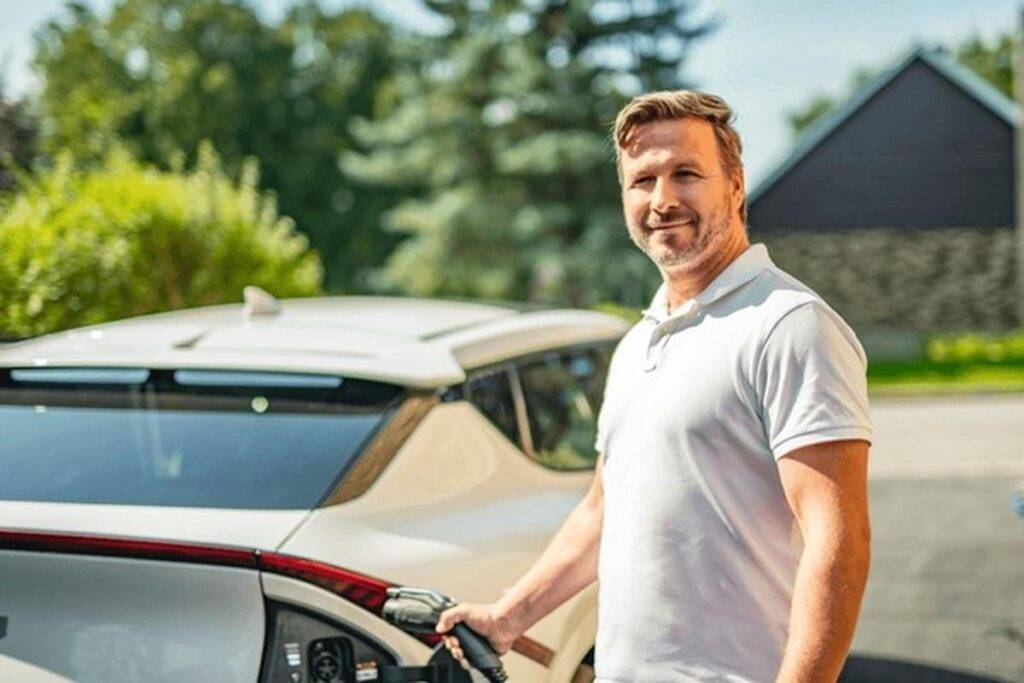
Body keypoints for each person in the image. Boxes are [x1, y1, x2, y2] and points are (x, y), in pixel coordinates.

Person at [436, 90, 873, 683]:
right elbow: (602, 510)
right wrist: (508, 617)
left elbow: (837, 541)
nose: (663, 200)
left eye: (686, 174)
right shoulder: (637, 343)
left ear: (736, 186)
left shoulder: (788, 324)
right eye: (642, 181)